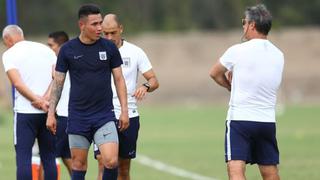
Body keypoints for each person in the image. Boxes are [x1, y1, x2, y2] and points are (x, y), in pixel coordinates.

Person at [46, 4, 129, 180]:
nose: (100, 28)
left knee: (111, 161)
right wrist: (51, 113)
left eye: (100, 23)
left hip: (104, 116)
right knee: (78, 165)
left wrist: (124, 110)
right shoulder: (68, 50)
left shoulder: (109, 47)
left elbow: (119, 79)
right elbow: (58, 83)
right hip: (78, 117)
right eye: (94, 24)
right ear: (81, 25)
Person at [209, 4, 284, 180]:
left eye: (244, 22)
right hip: (267, 121)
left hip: (240, 120)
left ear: (252, 25)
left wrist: (230, 86)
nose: (243, 26)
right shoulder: (278, 54)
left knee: (235, 169)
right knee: (270, 171)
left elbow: (214, 73)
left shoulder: (237, 50)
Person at [94, 14, 160, 180]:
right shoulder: (95, 50)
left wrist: (145, 86)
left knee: (123, 169)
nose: (109, 37)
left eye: (113, 33)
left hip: (128, 115)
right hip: (102, 115)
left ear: (121, 29)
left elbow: (153, 80)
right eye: (105, 33)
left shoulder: (135, 52)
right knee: (103, 163)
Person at [2, 25, 57, 180]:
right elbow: (57, 77)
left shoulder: (9, 54)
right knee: (49, 158)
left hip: (25, 114)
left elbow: (18, 84)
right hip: (48, 112)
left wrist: (36, 100)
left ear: (8, 39)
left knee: (23, 159)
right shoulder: (46, 50)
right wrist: (45, 99)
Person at [48, 31, 73, 175]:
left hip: (62, 117)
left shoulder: (60, 63)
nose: (49, 48)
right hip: (68, 116)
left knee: (48, 159)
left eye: (51, 45)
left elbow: (54, 87)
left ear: (61, 46)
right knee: (68, 158)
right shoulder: (72, 59)